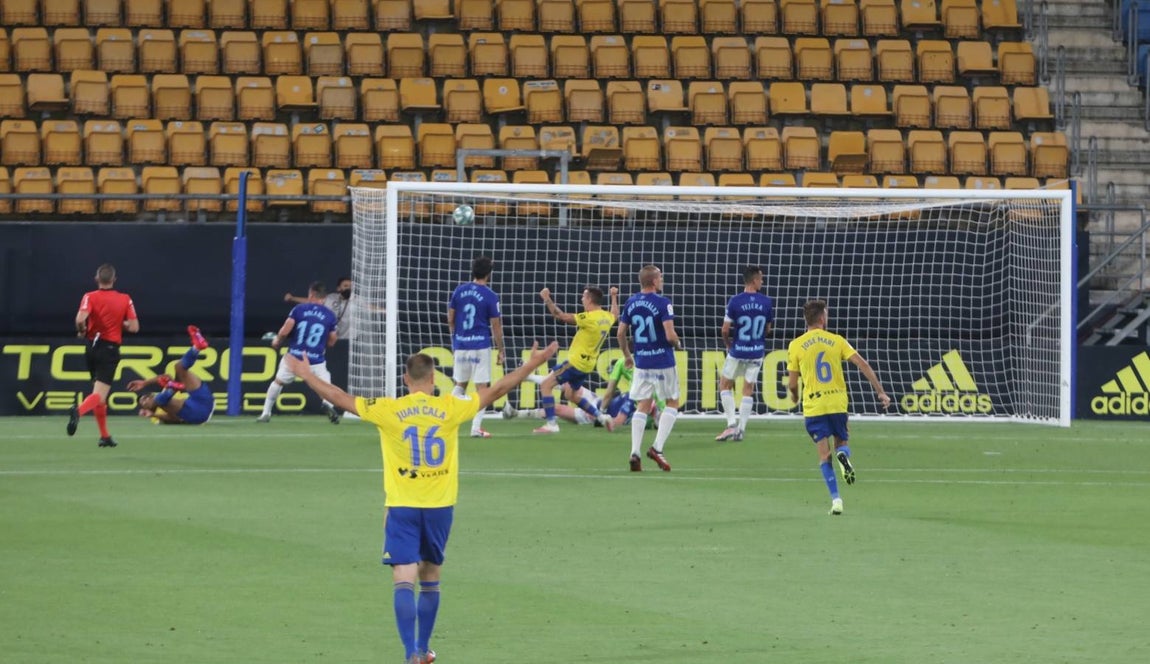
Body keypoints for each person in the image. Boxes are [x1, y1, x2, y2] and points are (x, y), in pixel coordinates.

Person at [285, 341, 559, 664]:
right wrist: (531, 365)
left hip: (402, 505)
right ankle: (424, 646)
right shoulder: (449, 408)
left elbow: (339, 398)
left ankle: (410, 654)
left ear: (405, 379)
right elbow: (498, 388)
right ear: (433, 380)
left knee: (403, 576)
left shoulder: (388, 409)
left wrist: (305, 373)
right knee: (430, 577)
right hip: (440, 507)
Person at [786, 299, 891, 516]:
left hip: (814, 405)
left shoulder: (795, 345)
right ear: (822, 318)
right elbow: (863, 364)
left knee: (824, 456)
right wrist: (880, 391)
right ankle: (843, 454)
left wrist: (795, 397)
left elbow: (793, 383)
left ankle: (836, 500)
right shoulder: (837, 340)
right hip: (837, 402)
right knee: (842, 442)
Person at [67, 263, 140, 448]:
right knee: (99, 395)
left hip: (91, 347)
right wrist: (119, 323)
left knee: (99, 394)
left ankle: (104, 436)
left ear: (97, 279)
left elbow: (79, 319)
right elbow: (134, 327)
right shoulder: (125, 299)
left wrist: (82, 331)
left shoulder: (89, 296)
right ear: (114, 280)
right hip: (109, 349)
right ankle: (78, 411)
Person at [617, 265, 682, 472]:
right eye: (660, 277)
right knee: (673, 402)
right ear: (654, 281)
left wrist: (628, 356)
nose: (662, 280)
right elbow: (670, 336)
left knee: (643, 405)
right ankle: (657, 448)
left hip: (642, 362)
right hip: (663, 361)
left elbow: (620, 333)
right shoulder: (663, 303)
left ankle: (634, 452)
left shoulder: (631, 302)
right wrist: (678, 344)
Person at [532, 285, 619, 434]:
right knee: (571, 395)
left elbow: (560, 316)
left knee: (546, 385)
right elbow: (615, 314)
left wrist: (547, 299)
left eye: (584, 296)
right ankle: (602, 417)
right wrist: (614, 296)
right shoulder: (606, 317)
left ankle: (551, 424)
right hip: (588, 365)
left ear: (590, 299)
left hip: (575, 363)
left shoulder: (589, 318)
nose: (581, 299)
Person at [259, 281, 341, 424]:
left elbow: (285, 330)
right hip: (316, 359)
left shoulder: (299, 309)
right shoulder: (330, 315)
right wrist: (323, 344)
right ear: (324, 298)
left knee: (278, 382)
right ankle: (328, 405)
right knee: (326, 385)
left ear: (311, 294)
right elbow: (333, 340)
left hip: (295, 356)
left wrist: (277, 341)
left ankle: (266, 412)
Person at [504, 357, 662, 430]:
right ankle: (528, 376)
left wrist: (602, 419)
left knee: (557, 408)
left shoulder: (636, 407)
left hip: (592, 414)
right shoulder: (638, 399)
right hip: (597, 403)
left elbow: (618, 422)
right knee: (569, 386)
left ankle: (516, 413)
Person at [716, 266, 775, 442]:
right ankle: (741, 429)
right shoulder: (766, 302)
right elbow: (768, 328)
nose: (762, 282)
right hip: (756, 352)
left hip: (737, 350)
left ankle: (731, 425)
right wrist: (758, 341)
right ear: (754, 280)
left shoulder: (735, 301)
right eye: (761, 279)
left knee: (725, 385)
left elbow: (725, 330)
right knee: (748, 389)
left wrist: (728, 345)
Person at [447, 255, 504, 438]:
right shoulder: (490, 296)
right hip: (480, 345)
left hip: (461, 343)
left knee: (460, 384)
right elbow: (496, 326)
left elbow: (450, 318)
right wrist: (501, 350)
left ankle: (445, 422)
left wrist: (457, 338)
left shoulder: (459, 290)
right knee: (483, 390)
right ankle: (475, 427)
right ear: (488, 274)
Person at [128, 326, 215, 425]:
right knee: (160, 400)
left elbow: (167, 376)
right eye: (143, 402)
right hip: (195, 415)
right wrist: (154, 415)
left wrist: (144, 383)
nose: (146, 400)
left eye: (146, 397)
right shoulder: (155, 415)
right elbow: (177, 420)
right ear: (145, 408)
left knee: (179, 367)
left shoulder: (163, 390)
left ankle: (196, 348)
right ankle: (172, 389)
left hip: (204, 400)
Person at [286, 276, 354, 341]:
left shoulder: (358, 301)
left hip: (349, 341)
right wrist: (292, 298)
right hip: (331, 339)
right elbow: (312, 301)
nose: (349, 288)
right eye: (345, 286)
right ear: (338, 288)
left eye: (350, 286)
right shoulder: (331, 298)